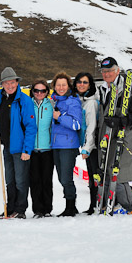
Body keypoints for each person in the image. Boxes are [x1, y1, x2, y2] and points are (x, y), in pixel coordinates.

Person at [96, 57, 132, 214]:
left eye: (110, 71)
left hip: (125, 139)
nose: (107, 74)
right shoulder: (104, 89)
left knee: (119, 171)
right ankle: (112, 203)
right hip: (109, 136)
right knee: (109, 171)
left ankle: (127, 206)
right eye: (104, 71)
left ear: (117, 71)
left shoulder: (127, 91)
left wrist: (124, 120)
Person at [0, 67, 37, 219]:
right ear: (2, 84)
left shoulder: (23, 100)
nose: (10, 86)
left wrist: (27, 150)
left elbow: (31, 127)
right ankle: (9, 208)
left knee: (20, 181)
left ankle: (20, 209)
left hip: (20, 149)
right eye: (6, 83)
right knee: (9, 180)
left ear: (17, 82)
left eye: (12, 82)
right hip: (6, 147)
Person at [50, 72, 82, 217]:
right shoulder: (53, 101)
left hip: (68, 146)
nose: (61, 87)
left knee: (65, 178)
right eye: (58, 85)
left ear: (68, 86)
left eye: (64, 85)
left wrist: (60, 117)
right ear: (54, 86)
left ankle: (71, 206)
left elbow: (76, 124)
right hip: (55, 144)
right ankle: (70, 205)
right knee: (61, 178)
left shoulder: (73, 101)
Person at [72, 72, 99, 214]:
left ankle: (95, 205)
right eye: (79, 82)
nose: (81, 85)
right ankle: (93, 205)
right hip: (86, 144)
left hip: (93, 146)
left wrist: (87, 148)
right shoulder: (79, 100)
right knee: (91, 174)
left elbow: (91, 127)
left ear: (90, 85)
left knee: (94, 175)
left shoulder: (91, 103)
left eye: (85, 82)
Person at [29, 79, 54, 218]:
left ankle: (47, 209)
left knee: (46, 180)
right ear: (32, 91)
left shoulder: (51, 104)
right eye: (36, 90)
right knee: (35, 181)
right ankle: (37, 210)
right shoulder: (28, 104)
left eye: (42, 91)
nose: (39, 93)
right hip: (32, 150)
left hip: (47, 150)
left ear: (46, 92)